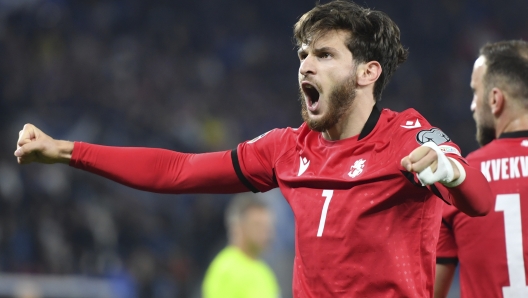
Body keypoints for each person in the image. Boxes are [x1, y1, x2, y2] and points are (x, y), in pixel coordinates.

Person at [14, 1, 492, 296]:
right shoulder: (287, 149)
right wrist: (67, 150)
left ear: (367, 72)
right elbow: (178, 171)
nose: (306, 65)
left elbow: (480, 201)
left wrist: (450, 172)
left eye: (325, 55)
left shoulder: (408, 135)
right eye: (303, 54)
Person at [435, 40, 528, 298]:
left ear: (496, 99)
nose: (473, 106)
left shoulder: (460, 180)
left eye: (475, 93)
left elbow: (428, 291)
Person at [202, 193, 280, 298]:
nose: (266, 232)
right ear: (238, 227)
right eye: (257, 225)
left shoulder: (264, 271)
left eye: (267, 226)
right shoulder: (226, 271)